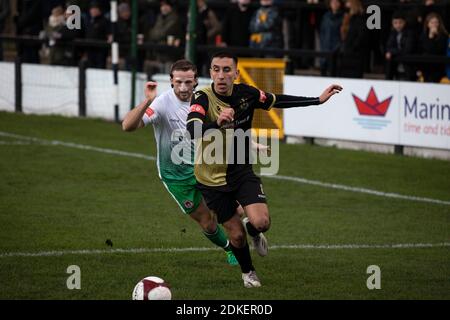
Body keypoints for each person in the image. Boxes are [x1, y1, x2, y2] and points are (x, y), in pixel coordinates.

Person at [186, 51, 342, 288]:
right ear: (210, 73)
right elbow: (192, 131)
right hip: (210, 179)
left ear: (236, 73)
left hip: (240, 170)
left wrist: (317, 100)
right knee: (236, 236)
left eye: (227, 70)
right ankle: (248, 272)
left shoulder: (247, 94)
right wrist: (217, 123)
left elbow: (276, 99)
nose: (221, 75)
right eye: (216, 69)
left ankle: (254, 230)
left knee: (262, 223)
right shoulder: (202, 97)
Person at [122, 59, 238, 267]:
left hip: (205, 166)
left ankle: (250, 233)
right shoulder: (162, 103)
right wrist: (147, 101)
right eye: (178, 82)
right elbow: (127, 126)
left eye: (188, 82)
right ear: (171, 81)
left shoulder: (205, 99)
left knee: (235, 209)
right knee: (208, 223)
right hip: (175, 175)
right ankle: (230, 248)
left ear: (195, 81)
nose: (183, 88)